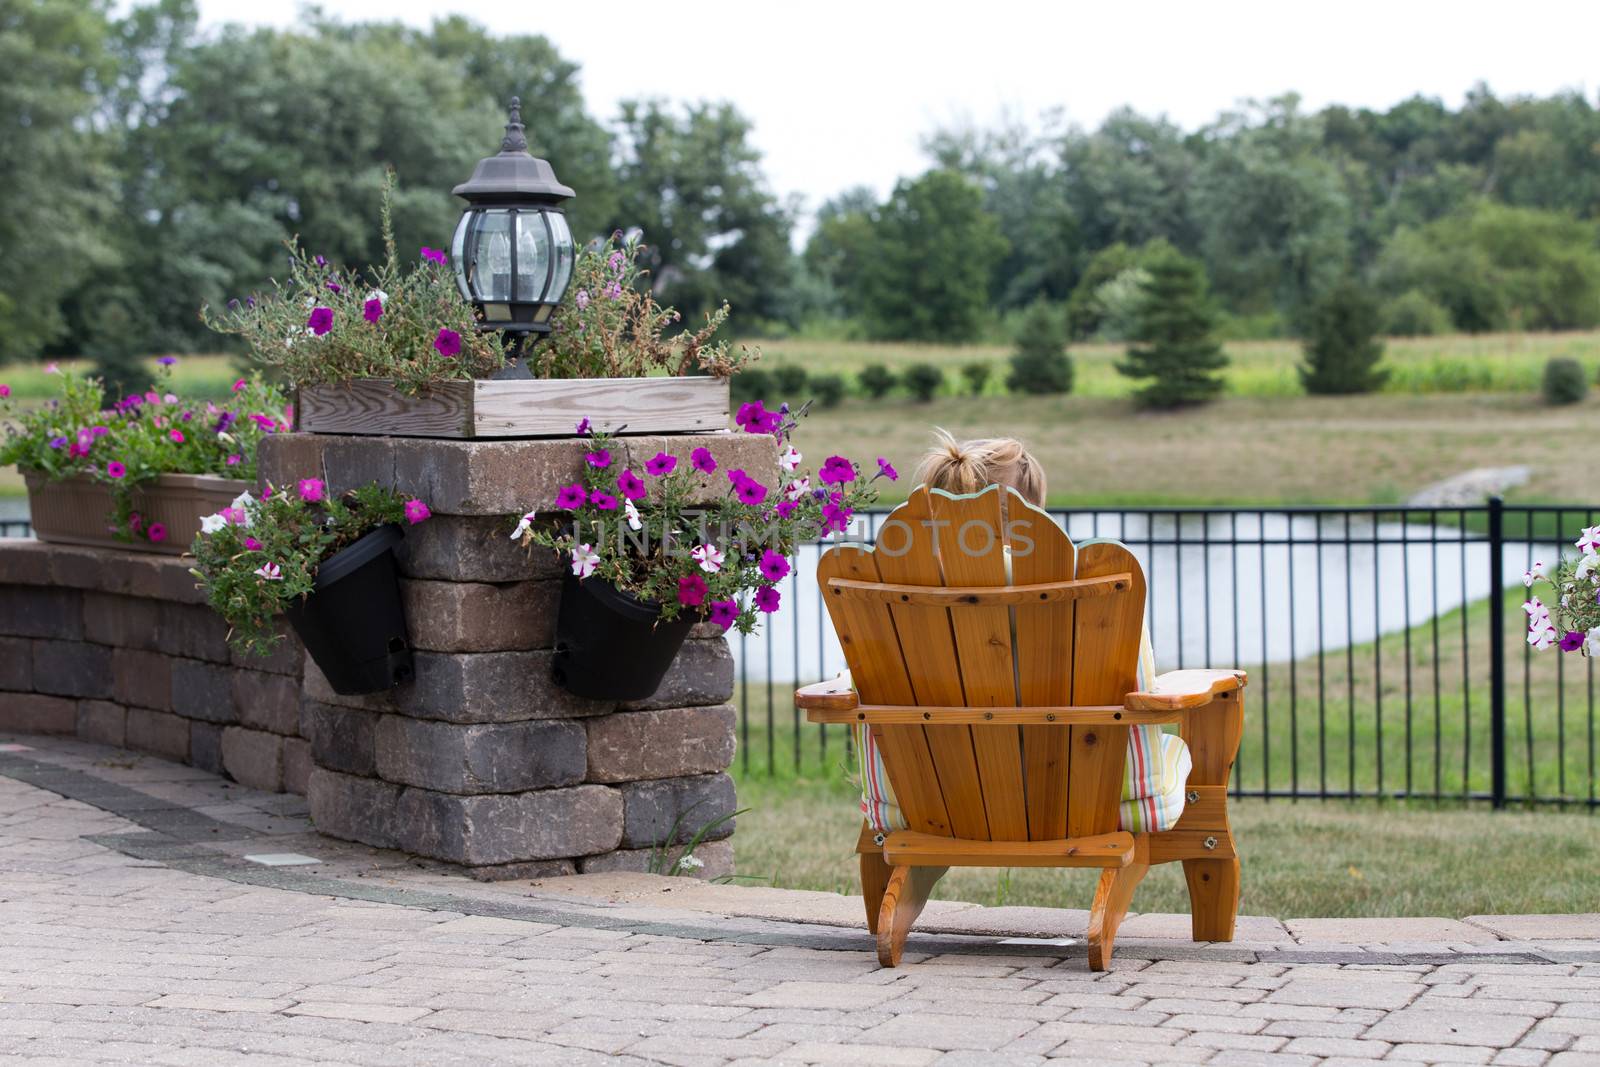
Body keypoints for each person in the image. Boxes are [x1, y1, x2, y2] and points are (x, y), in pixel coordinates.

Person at [853, 429, 1191, 836]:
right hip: (1086, 803)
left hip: (923, 804)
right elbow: (1138, 686)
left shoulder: (889, 592)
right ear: (1032, 515)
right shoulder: (1092, 586)